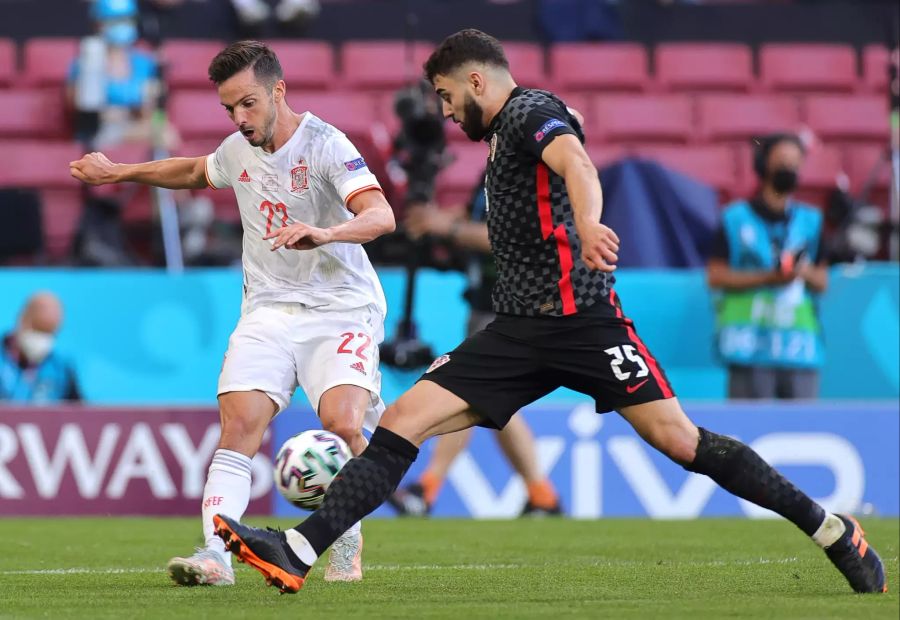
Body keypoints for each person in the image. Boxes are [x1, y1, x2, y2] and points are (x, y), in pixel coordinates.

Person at [212, 29, 887, 596]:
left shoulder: (531, 113)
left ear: (476, 82)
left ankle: (831, 528)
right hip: (516, 329)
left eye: (447, 97)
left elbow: (579, 164)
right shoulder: (502, 135)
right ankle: (298, 552)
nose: (446, 113)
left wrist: (590, 225)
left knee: (682, 442)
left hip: (586, 323)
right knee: (403, 421)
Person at [70, 40, 396, 586]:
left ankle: (344, 533)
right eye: (229, 109)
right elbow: (197, 171)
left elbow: (380, 215)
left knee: (342, 424)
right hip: (267, 306)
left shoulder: (326, 146)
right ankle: (216, 557)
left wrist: (326, 232)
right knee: (239, 425)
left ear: (279, 90)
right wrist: (119, 172)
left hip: (339, 305)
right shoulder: (238, 148)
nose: (239, 119)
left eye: (248, 104)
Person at [391, 180, 561, 517]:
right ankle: (542, 496)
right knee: (484, 395)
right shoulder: (496, 167)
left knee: (471, 389)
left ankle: (427, 489)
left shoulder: (526, 164)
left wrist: (449, 226)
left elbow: (513, 239)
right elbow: (482, 218)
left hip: (514, 306)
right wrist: (445, 218)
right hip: (487, 303)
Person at [707, 133, 829, 399]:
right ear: (763, 164)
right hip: (748, 344)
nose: (789, 168)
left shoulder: (811, 221)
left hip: (798, 347)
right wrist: (769, 278)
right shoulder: (734, 218)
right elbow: (715, 276)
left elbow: (822, 280)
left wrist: (800, 273)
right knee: (748, 428)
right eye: (782, 161)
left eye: (795, 163)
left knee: (801, 432)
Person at [0, 293, 80, 403]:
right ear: (22, 319)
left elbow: (79, 415)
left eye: (49, 333)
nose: (41, 339)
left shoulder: (61, 368)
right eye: (37, 329)